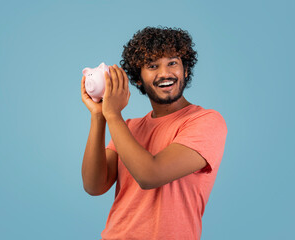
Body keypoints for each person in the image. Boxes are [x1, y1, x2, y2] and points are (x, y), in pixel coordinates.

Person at [81, 26, 227, 240]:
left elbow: (150, 175)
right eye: (152, 66)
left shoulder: (206, 122)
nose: (164, 73)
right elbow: (94, 185)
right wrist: (99, 116)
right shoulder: (128, 127)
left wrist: (113, 115)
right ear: (138, 78)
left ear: (185, 70)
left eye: (172, 63)